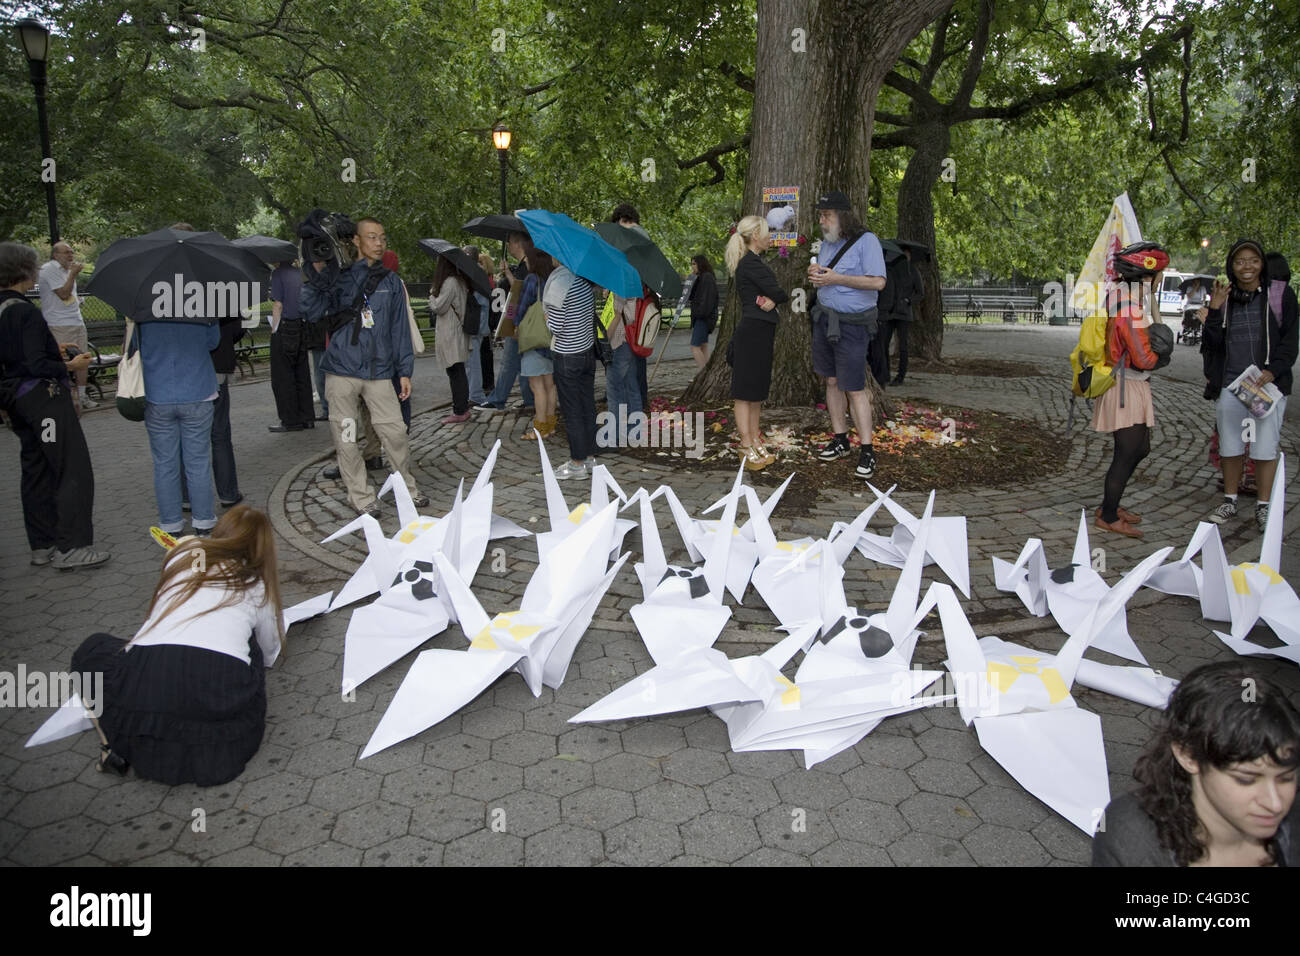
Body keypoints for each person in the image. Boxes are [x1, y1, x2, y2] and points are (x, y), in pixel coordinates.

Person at [69, 505, 287, 786]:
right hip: (215, 689)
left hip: (146, 675)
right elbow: (270, 650)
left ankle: (110, 744)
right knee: (251, 647)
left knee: (92, 649)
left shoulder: (184, 556)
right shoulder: (257, 584)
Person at [1091, 660, 1299, 867]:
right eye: (1246, 780)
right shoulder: (1132, 837)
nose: (1274, 803)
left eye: (1286, 778)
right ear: (1187, 755)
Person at [301, 216, 428, 517]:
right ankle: (360, 497)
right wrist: (316, 272)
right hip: (341, 373)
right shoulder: (338, 277)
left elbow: (399, 329)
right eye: (371, 237)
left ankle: (406, 488)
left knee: (395, 433)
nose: (379, 243)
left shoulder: (392, 282)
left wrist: (405, 370)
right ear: (356, 241)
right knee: (346, 438)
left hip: (380, 373)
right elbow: (311, 310)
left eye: (382, 237)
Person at [0, 242, 110, 569]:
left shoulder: (5, 308)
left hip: (15, 400)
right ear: (26, 272)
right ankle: (72, 546)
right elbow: (35, 363)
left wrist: (53, 346)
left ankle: (42, 543)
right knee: (68, 466)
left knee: (35, 468)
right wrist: (69, 366)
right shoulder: (25, 312)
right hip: (44, 405)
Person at [1199, 238, 1299, 533]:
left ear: (1262, 265)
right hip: (1231, 385)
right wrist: (1214, 311)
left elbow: (1291, 340)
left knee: (1264, 448)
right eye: (1240, 261)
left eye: (1253, 260)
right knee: (1230, 446)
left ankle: (1263, 506)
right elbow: (1211, 344)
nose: (1247, 267)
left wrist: (1273, 370)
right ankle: (1229, 500)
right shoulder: (1225, 297)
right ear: (1231, 265)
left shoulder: (1280, 295)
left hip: (1267, 387)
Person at [807, 191, 887, 480]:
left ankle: (867, 450)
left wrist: (836, 278)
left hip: (852, 327)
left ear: (843, 216)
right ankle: (840, 438)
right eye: (821, 215)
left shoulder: (868, 242)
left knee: (854, 386)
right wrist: (816, 273)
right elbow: (827, 275)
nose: (821, 220)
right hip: (826, 321)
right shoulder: (829, 244)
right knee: (831, 381)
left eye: (826, 215)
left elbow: (878, 282)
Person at [1091, 241, 1170, 539]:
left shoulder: (1121, 297)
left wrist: (1150, 300)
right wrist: (1163, 355)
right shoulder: (1130, 309)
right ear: (1150, 276)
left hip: (1127, 385)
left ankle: (1111, 506)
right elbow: (1144, 359)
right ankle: (1108, 515)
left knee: (1141, 448)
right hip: (1126, 387)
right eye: (1159, 273)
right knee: (1126, 454)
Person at [726, 215, 788, 470]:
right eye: (767, 232)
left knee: (757, 391)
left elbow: (774, 295)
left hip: (760, 331)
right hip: (752, 332)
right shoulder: (751, 264)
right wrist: (773, 299)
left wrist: (773, 300)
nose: (771, 236)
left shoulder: (754, 262)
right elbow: (779, 293)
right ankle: (744, 442)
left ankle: (754, 437)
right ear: (755, 236)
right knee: (745, 391)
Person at [546, 260, 599, 480]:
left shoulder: (560, 283)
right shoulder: (585, 281)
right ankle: (589, 456)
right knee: (587, 405)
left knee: (572, 410)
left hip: (568, 354)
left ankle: (577, 463)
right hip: (587, 352)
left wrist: (548, 317)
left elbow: (556, 326)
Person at [475, 232, 536, 414]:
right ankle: (529, 399)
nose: (508, 246)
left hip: (521, 322)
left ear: (518, 244)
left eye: (509, 242)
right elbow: (519, 287)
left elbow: (523, 292)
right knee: (522, 362)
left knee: (510, 362)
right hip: (523, 321)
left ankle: (498, 399)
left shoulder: (526, 265)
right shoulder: (524, 265)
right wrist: (509, 273)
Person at [37, 241, 97, 409]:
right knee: (62, 361)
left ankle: (82, 396)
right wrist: (73, 275)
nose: (71, 256)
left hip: (76, 321)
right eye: (66, 253)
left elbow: (70, 296)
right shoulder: (49, 269)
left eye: (72, 252)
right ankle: (62, 397)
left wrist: (78, 300)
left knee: (83, 359)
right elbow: (63, 294)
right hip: (59, 324)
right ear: (56, 255)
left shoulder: (67, 271)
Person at [610, 204, 651, 409]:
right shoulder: (620, 254)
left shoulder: (634, 255)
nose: (627, 226)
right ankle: (638, 412)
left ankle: (632, 418)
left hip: (630, 322)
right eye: (624, 221)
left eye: (630, 222)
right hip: (629, 321)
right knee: (630, 375)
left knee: (621, 378)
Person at [268, 259, 314, 431]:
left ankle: (290, 420)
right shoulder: (300, 273)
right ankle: (308, 417)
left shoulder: (278, 274)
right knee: (302, 374)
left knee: (283, 376)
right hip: (301, 326)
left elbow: (278, 304)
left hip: (286, 327)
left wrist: (274, 330)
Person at [517, 249, 558, 442]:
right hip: (550, 338)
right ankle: (550, 425)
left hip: (534, 338)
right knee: (550, 384)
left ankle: (540, 428)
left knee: (537, 386)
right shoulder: (552, 278)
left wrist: (516, 327)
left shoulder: (532, 279)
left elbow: (521, 310)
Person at [430, 254, 473, 424]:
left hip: (451, 332)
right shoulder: (460, 280)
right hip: (456, 330)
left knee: (455, 371)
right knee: (457, 370)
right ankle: (462, 407)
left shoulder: (450, 282)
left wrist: (432, 296)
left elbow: (439, 307)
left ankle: (460, 409)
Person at [879, 247, 921, 385]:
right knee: (884, 343)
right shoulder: (891, 270)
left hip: (904, 313)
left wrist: (908, 300)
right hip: (890, 312)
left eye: (906, 255)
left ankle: (901, 376)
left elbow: (920, 293)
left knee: (903, 346)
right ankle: (885, 374)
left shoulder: (913, 271)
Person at [688, 254, 718, 370]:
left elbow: (707, 300)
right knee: (703, 346)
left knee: (695, 346)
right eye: (691, 264)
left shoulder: (707, 278)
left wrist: (700, 314)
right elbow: (691, 296)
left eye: (694, 264)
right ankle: (706, 372)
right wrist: (691, 280)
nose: (692, 266)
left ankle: (702, 372)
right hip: (701, 317)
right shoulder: (700, 278)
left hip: (704, 318)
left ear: (701, 264)